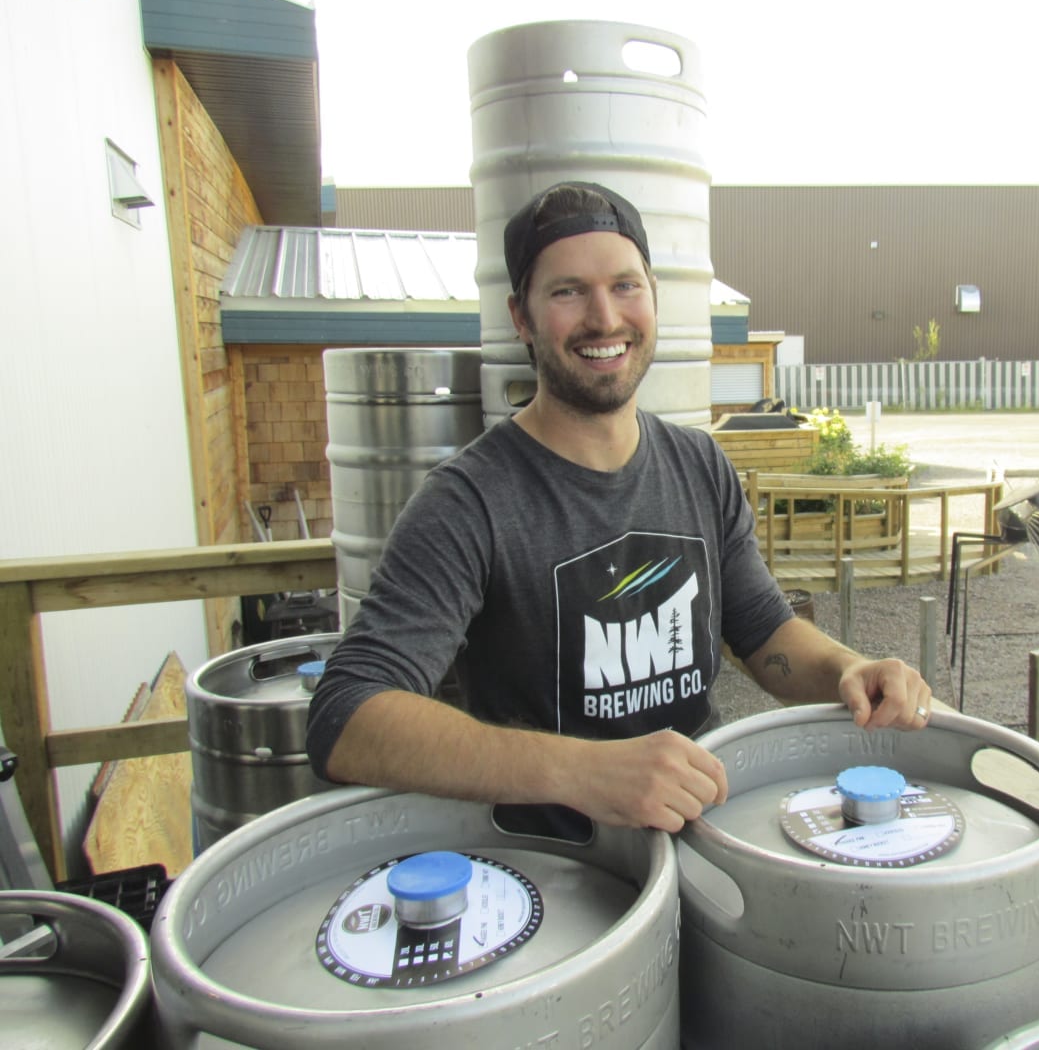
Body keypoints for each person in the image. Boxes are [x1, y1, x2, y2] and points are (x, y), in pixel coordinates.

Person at [305, 180, 934, 836]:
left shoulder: (699, 465)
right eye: (568, 291)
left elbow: (764, 631)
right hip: (558, 886)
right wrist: (579, 772)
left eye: (625, 285)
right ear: (521, 317)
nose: (604, 319)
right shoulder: (469, 503)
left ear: (654, 298)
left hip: (702, 843)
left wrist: (849, 671)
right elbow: (345, 717)